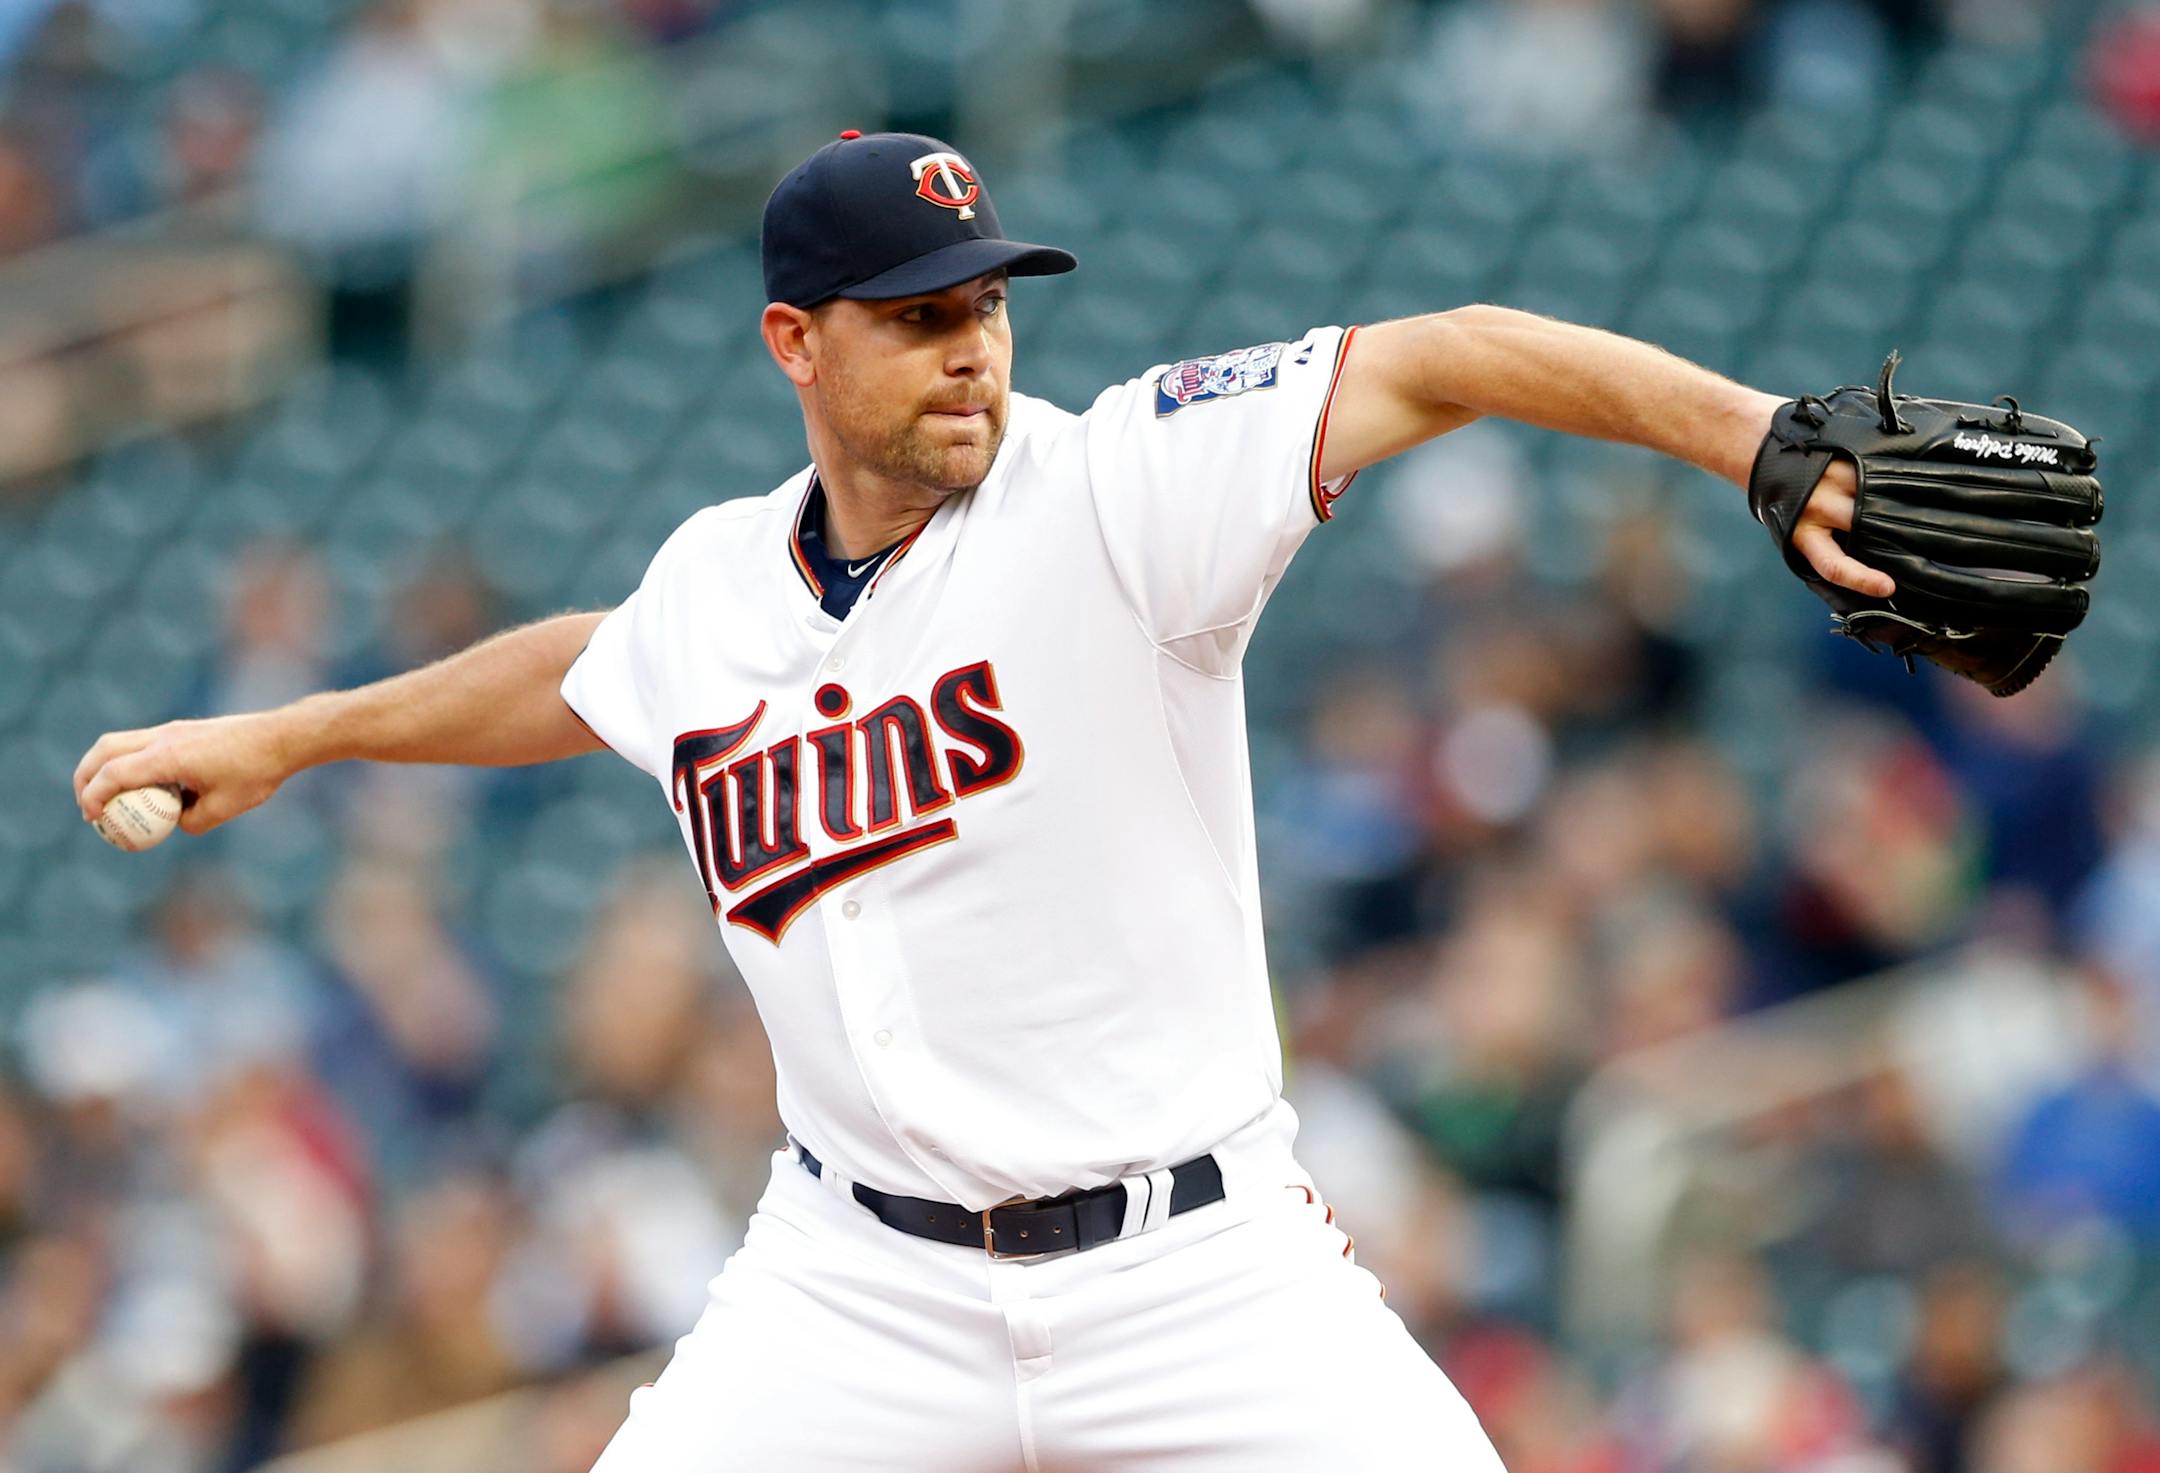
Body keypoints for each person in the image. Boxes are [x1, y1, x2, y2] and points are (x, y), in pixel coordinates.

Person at [74, 129, 1888, 1470]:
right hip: (856, 1288)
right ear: (797, 343)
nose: (972, 345)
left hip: (1195, 1270)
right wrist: (298, 733)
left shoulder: (1120, 488)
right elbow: (579, 669)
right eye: (918, 314)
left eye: (988, 304)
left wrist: (1749, 436)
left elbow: (1443, 353)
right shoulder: (716, 583)